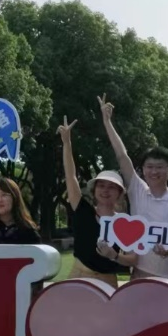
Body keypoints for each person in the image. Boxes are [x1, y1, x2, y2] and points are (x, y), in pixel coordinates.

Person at [97, 95, 168, 336]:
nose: (154, 171)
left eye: (160, 166)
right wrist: (107, 121)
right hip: (139, 275)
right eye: (149, 166)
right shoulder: (138, 191)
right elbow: (122, 156)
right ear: (143, 170)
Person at [59, 115, 135, 287]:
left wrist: (114, 256)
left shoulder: (124, 223)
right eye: (101, 186)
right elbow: (71, 176)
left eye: (112, 187)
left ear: (119, 193)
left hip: (107, 280)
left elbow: (133, 259)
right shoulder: (83, 209)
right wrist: (67, 143)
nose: (105, 191)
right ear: (94, 190)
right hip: (78, 276)